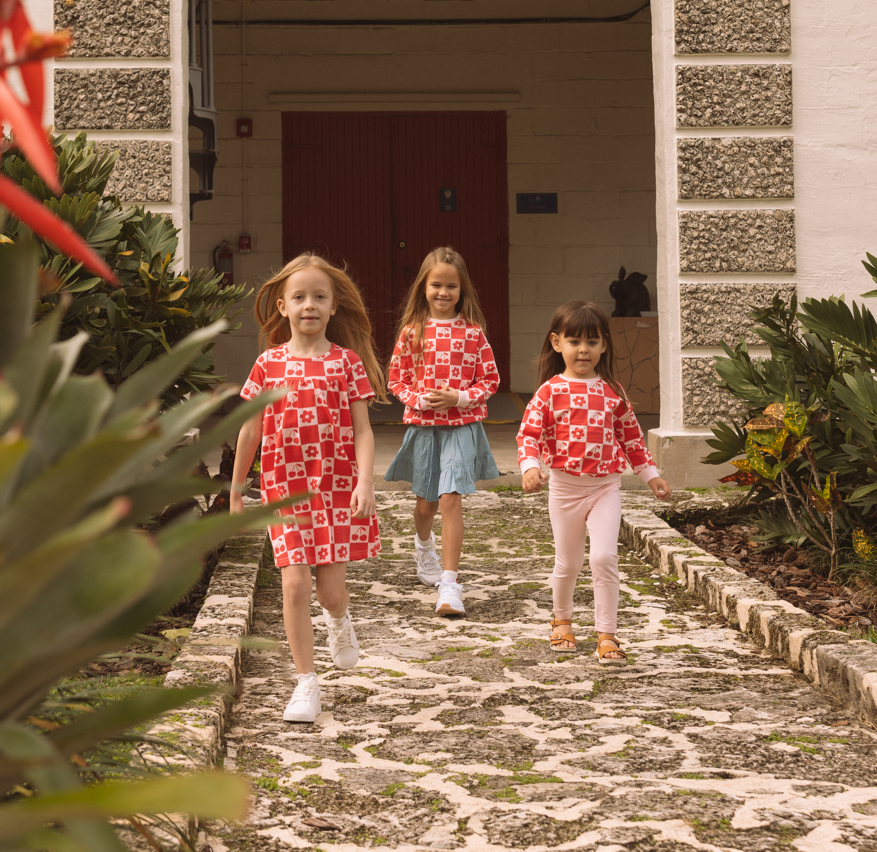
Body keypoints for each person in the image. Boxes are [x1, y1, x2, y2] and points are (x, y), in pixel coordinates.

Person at [230, 254, 386, 723]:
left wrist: (365, 482)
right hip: (285, 490)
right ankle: (305, 684)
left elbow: (363, 430)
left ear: (334, 306)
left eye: (319, 297)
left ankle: (339, 622)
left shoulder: (348, 363)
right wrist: (237, 491)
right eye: (299, 297)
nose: (309, 305)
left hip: (336, 491)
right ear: (282, 306)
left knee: (330, 593)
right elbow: (250, 431)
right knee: (295, 584)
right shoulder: (267, 365)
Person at [516, 300, 671, 665]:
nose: (582, 349)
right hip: (565, 490)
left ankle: (607, 634)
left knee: (604, 557)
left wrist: (651, 475)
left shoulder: (613, 392)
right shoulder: (548, 392)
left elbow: (632, 438)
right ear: (557, 343)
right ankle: (562, 620)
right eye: (574, 341)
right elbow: (529, 435)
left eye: (591, 341)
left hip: (606, 488)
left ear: (603, 345)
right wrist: (529, 467)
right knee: (568, 563)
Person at [384, 246, 500, 615]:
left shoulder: (473, 334)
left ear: (462, 289)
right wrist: (418, 400)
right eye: (436, 285)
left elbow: (491, 381)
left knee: (451, 498)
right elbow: (396, 380)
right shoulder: (411, 333)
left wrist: (459, 397)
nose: (443, 293)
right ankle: (424, 546)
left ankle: (450, 584)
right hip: (423, 428)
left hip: (461, 428)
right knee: (426, 504)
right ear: (423, 287)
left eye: (452, 286)